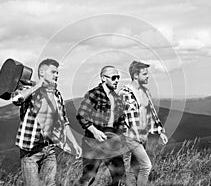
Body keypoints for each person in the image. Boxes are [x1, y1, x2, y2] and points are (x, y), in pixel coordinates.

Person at [11, 58, 81, 186]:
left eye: (57, 73)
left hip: (49, 149)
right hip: (30, 151)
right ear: (42, 73)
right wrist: (37, 86)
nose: (57, 75)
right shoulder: (29, 89)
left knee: (51, 184)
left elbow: (63, 121)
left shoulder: (57, 94)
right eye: (53, 72)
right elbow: (16, 99)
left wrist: (74, 143)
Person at [118, 60, 168, 186]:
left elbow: (151, 114)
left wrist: (160, 132)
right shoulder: (124, 93)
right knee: (146, 166)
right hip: (130, 137)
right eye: (145, 74)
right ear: (135, 75)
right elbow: (119, 117)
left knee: (135, 169)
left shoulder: (146, 92)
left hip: (143, 136)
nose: (148, 76)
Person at [74, 66, 126, 186]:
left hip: (112, 143)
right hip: (93, 143)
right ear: (103, 78)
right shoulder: (94, 94)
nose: (117, 80)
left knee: (120, 178)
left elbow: (121, 120)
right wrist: (95, 131)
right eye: (113, 77)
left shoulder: (117, 98)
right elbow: (81, 115)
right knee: (88, 178)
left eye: (118, 77)